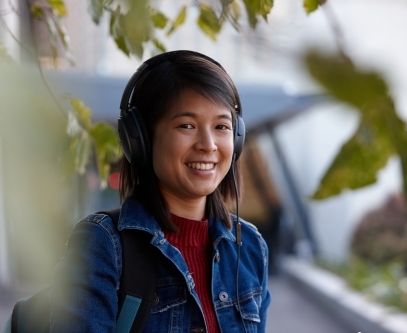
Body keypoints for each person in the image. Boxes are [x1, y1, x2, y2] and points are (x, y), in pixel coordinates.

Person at [49, 50, 271, 333]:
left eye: (221, 126)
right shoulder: (103, 244)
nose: (208, 144)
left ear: (237, 138)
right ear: (140, 139)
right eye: (187, 125)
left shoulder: (250, 247)